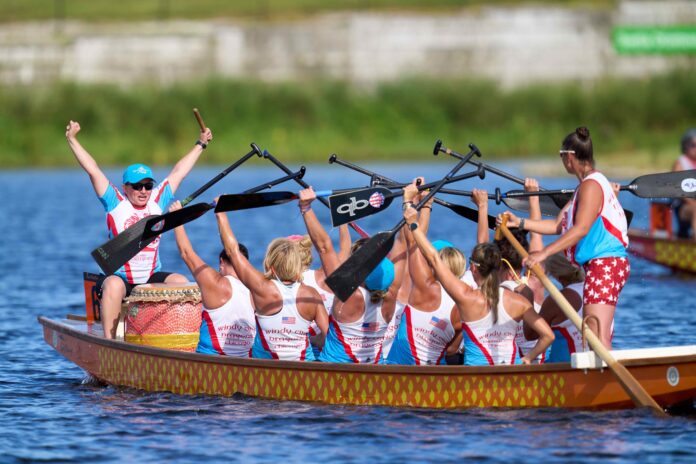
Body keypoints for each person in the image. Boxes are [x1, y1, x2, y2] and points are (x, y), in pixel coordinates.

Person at [66, 120, 213, 339]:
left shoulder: (158, 200)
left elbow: (179, 172)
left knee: (181, 283)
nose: (143, 191)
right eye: (137, 186)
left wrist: (200, 144)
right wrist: (72, 140)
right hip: (119, 277)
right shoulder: (114, 202)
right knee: (114, 286)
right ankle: (109, 343)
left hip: (151, 275)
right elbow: (92, 169)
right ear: (125, 188)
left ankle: (169, 338)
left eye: (147, 185)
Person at [500, 126, 629, 349]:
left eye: (561, 156)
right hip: (600, 265)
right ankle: (595, 377)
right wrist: (519, 222)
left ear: (570, 157)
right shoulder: (584, 187)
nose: (561, 161)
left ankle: (604, 380)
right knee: (594, 334)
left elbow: (581, 229)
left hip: (606, 263)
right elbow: (558, 225)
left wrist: (543, 254)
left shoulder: (591, 185)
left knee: (597, 336)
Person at [403, 182, 554, 365]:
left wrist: (412, 223)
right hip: (512, 377)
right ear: (498, 266)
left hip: (476, 380)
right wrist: (528, 359)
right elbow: (548, 336)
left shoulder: (466, 297)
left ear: (474, 268)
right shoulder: (520, 301)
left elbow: (434, 258)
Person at [299, 187, 407, 364]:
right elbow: (402, 243)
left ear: (361, 273)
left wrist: (306, 207)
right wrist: (412, 204)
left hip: (334, 372)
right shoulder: (392, 295)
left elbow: (324, 247)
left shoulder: (348, 294)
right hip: (373, 374)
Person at [215, 210, 328, 361]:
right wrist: (313, 340)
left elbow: (232, 251)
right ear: (297, 265)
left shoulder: (263, 288)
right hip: (302, 371)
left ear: (271, 266)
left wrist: (221, 215)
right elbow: (329, 335)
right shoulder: (311, 294)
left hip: (264, 370)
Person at [170, 201, 255, 357]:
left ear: (221, 262)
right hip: (245, 368)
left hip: (209, 365)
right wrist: (221, 213)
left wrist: (177, 218)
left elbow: (186, 253)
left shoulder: (215, 283)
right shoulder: (257, 290)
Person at [532, 253, 586, 363]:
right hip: (594, 363)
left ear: (557, 276)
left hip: (563, 368)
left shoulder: (557, 300)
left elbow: (531, 334)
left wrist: (528, 296)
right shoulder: (595, 290)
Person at [673, 128, 696, 239]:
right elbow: (677, 189)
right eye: (693, 145)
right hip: (683, 206)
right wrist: (692, 203)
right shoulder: (680, 162)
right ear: (685, 146)